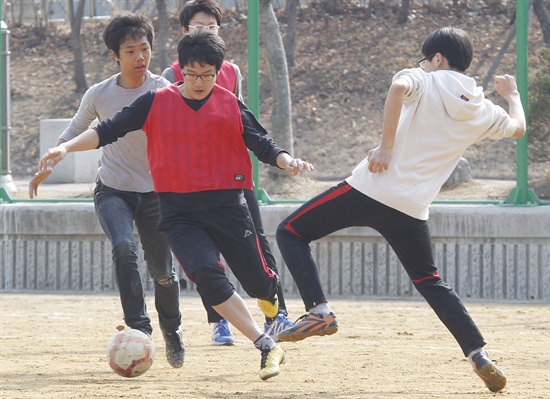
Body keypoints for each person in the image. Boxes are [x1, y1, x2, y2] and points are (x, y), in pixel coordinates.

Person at [34, 32, 314, 381]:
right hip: (179, 214)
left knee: (259, 283)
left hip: (227, 205)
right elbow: (107, 130)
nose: (200, 82)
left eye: (208, 75)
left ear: (218, 71)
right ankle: (266, 345)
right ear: (180, 70)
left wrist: (287, 161)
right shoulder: (155, 101)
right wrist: (65, 149)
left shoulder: (229, 102)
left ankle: (269, 297)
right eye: (193, 74)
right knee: (210, 282)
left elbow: (262, 142)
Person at [275, 27, 525, 393]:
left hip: (370, 189)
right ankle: (478, 354)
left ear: (437, 58)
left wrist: (385, 148)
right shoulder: (482, 108)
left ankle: (320, 312)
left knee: (290, 232)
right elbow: (518, 128)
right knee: (431, 282)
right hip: (412, 208)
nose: (423, 64)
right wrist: (513, 94)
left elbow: (397, 89)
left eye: (426, 58)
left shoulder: (426, 78)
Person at [28, 13, 185, 368]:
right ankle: (139, 330)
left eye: (144, 48)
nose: (140, 57)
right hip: (114, 189)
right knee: (123, 247)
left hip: (157, 194)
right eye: (131, 51)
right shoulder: (99, 94)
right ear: (115, 55)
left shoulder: (163, 89)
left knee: (162, 272)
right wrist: (47, 166)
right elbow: (70, 135)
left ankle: (171, 329)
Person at [161, 0, 294, 346]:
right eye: (198, 27)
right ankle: (220, 321)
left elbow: (241, 119)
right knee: (207, 259)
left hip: (232, 176)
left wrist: (281, 157)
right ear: (184, 32)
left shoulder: (230, 70)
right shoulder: (170, 76)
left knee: (257, 247)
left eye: (212, 27)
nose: (205, 31)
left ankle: (277, 313)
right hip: (191, 184)